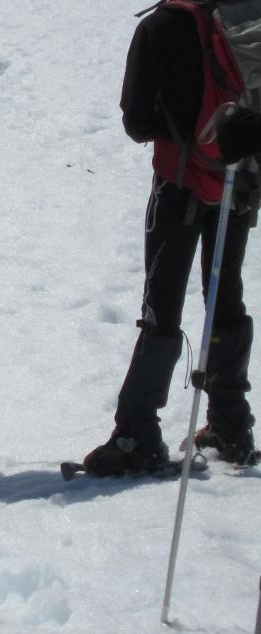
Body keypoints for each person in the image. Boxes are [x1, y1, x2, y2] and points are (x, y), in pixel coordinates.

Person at [84, 3, 258, 474]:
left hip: (179, 180)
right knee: (227, 297)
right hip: (238, 179)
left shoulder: (162, 24)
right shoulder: (245, 18)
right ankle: (231, 424)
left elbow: (137, 120)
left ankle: (137, 433)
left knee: (163, 304)